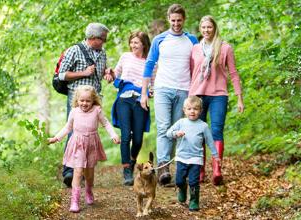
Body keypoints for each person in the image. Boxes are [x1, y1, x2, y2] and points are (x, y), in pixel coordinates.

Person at [140, 4, 198, 185]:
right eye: (173, 20)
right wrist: (144, 92)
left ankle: (169, 164)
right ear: (168, 20)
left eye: (179, 20)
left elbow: (198, 65)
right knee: (164, 127)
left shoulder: (192, 40)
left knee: (175, 129)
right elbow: (149, 65)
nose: (176, 24)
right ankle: (164, 167)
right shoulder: (159, 39)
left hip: (184, 89)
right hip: (163, 88)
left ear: (184, 20)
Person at [189, 15, 244, 185]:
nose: (206, 30)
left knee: (216, 131)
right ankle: (200, 170)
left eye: (209, 27)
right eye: (203, 27)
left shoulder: (225, 48)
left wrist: (239, 98)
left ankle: (216, 170)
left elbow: (233, 74)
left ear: (215, 28)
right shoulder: (195, 49)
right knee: (198, 133)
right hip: (198, 94)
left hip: (219, 95)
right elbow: (193, 73)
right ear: (200, 29)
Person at [58, 22, 115, 187]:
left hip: (94, 99)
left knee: (91, 132)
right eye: (102, 39)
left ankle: (84, 168)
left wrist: (107, 74)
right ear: (93, 38)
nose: (104, 42)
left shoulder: (102, 53)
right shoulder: (74, 50)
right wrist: (83, 73)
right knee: (74, 131)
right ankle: (69, 171)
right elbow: (62, 75)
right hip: (77, 99)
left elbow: (101, 73)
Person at [48, 85, 120, 213]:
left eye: (88, 101)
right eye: (82, 100)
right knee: (78, 171)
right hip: (78, 144)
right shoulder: (74, 111)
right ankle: (74, 200)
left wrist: (113, 135)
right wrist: (56, 138)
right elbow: (67, 128)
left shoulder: (97, 110)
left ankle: (88, 190)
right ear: (77, 100)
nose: (84, 103)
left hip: (92, 144)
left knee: (89, 174)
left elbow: (106, 123)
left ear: (93, 100)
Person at [111, 31, 154, 186]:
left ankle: (133, 159)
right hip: (124, 99)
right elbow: (116, 74)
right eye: (131, 42)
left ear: (144, 44)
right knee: (125, 135)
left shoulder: (151, 62)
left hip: (140, 102)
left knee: (137, 139)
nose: (133, 45)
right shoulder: (125, 57)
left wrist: (151, 91)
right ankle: (127, 170)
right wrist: (110, 75)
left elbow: (153, 83)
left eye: (136, 43)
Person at [166, 96, 220, 211]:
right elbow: (168, 133)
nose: (192, 111)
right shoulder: (181, 123)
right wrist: (176, 133)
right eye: (189, 109)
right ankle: (182, 188)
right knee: (179, 180)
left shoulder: (203, 126)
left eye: (195, 109)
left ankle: (194, 200)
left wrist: (215, 155)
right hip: (181, 158)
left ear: (200, 111)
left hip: (196, 159)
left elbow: (210, 142)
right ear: (184, 110)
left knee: (194, 181)